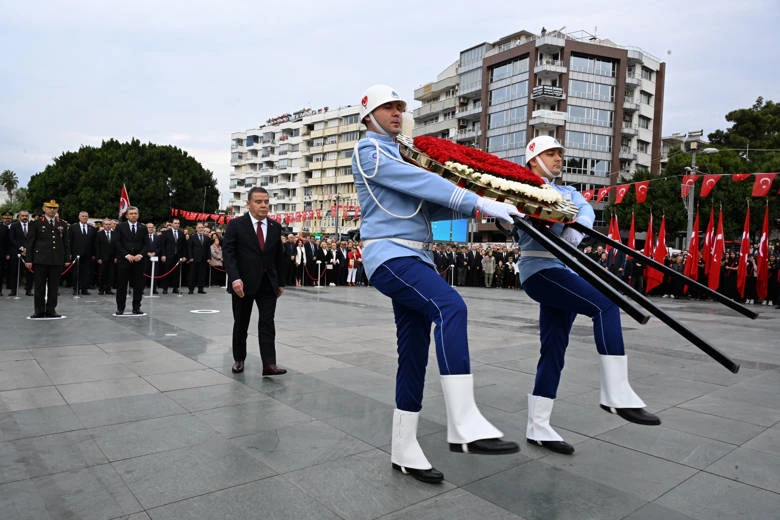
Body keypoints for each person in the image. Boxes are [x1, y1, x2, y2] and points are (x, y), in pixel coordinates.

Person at [352, 84, 520, 484]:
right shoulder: (369, 151)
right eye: (388, 107)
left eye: (400, 107)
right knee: (451, 307)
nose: (397, 112)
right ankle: (463, 421)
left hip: (415, 255)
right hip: (389, 255)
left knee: (413, 354)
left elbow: (430, 201)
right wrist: (476, 201)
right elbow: (424, 185)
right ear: (369, 116)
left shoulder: (399, 154)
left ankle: (404, 449)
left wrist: (490, 199)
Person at [516, 135, 660, 456]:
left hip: (563, 270)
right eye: (550, 153)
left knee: (554, 348)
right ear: (532, 159)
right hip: (540, 270)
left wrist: (574, 227)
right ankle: (616, 393)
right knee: (606, 303)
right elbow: (519, 218)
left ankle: (538, 426)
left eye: (558, 154)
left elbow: (584, 211)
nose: (557, 159)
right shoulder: (520, 187)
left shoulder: (567, 191)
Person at [222, 187, 288, 376]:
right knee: (241, 323)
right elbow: (229, 254)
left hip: (268, 283)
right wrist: (234, 278)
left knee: (267, 323)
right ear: (249, 204)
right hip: (242, 284)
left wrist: (281, 282)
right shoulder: (236, 225)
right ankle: (239, 359)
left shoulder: (275, 227)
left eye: (266, 202)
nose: (264, 205)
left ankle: (269, 364)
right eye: (259, 202)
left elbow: (279, 257)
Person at [24, 200, 71, 318]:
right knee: (39, 286)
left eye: (55, 208)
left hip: (56, 260)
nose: (52, 210)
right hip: (40, 259)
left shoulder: (62, 224)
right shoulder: (36, 223)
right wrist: (29, 259)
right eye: (49, 208)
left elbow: (66, 243)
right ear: (44, 209)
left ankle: (51, 309)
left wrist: (66, 258)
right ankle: (39, 310)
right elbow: (30, 243)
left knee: (54, 287)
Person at [115, 206, 149, 315]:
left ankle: (136, 308)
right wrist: (126, 254)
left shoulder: (143, 227)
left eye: (135, 213)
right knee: (122, 286)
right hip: (124, 261)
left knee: (138, 286)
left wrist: (141, 255)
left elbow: (146, 244)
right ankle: (120, 308)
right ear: (127, 215)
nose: (133, 215)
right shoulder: (120, 227)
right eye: (131, 213)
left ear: (138, 215)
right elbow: (117, 242)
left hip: (139, 261)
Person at [68, 211, 97, 295]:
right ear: (79, 217)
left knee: (87, 272)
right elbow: (69, 241)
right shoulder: (73, 227)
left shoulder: (92, 228)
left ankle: (84, 288)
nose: (84, 217)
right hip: (76, 254)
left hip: (88, 254)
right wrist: (69, 253)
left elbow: (94, 242)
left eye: (86, 216)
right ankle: (76, 289)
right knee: (76, 272)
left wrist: (94, 254)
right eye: (83, 216)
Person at [159, 218, 187, 294]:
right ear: (171, 224)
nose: (177, 224)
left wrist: (184, 256)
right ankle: (165, 288)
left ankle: (175, 288)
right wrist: (163, 255)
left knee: (176, 273)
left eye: (178, 223)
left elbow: (184, 246)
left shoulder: (181, 233)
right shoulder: (166, 233)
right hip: (168, 256)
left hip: (178, 256)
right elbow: (163, 245)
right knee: (167, 272)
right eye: (175, 223)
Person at [187, 222, 211, 294]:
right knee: (192, 274)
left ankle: (201, 288)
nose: (201, 229)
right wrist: (190, 257)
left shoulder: (206, 238)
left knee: (202, 274)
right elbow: (189, 248)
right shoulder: (192, 237)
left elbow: (208, 249)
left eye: (202, 227)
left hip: (203, 259)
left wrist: (209, 258)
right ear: (196, 228)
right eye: (199, 227)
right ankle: (191, 289)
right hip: (194, 259)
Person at [95, 218, 116, 295]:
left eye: (109, 224)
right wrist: (98, 258)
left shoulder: (115, 234)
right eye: (106, 224)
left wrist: (116, 257)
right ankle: (101, 289)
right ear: (103, 225)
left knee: (111, 274)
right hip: (102, 258)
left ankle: (108, 289)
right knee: (102, 274)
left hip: (112, 258)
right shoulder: (99, 234)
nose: (108, 226)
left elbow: (117, 247)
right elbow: (97, 247)